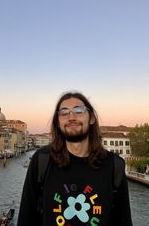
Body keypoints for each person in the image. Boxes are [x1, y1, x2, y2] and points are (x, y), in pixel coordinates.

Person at [17, 91, 133, 226]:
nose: (71, 117)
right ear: (58, 122)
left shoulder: (115, 166)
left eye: (79, 110)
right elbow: (26, 218)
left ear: (91, 118)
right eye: (64, 113)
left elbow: (123, 221)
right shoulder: (42, 160)